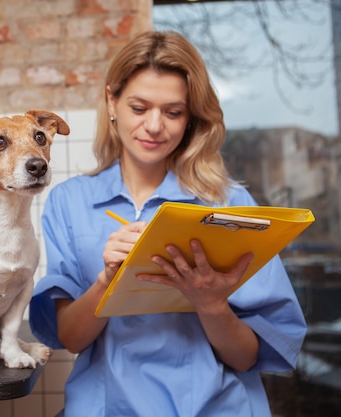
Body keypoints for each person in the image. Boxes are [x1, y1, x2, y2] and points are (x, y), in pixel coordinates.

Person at [29, 30, 307, 417]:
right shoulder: (70, 202)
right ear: (112, 101)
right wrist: (107, 281)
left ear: (191, 116)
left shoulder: (229, 205)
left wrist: (211, 304)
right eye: (139, 108)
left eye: (173, 112)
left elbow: (246, 359)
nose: (155, 126)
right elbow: (71, 339)